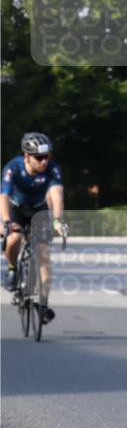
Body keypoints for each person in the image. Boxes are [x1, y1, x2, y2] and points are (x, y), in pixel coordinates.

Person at [1, 132, 66, 324]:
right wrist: (5, 221)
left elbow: (57, 194)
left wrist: (57, 220)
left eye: (47, 156)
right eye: (39, 157)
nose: (44, 161)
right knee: (12, 239)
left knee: (43, 254)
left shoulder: (52, 169)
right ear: (26, 156)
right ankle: (13, 268)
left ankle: (43, 305)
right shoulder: (13, 167)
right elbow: (3, 196)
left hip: (39, 211)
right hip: (16, 210)